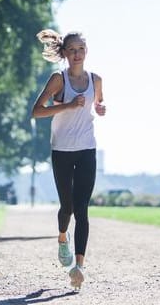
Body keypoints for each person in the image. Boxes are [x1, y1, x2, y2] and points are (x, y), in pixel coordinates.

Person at [31, 29, 106, 290]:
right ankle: (62, 237)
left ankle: (79, 266)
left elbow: (98, 104)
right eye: (72, 50)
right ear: (64, 53)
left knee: (82, 209)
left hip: (87, 149)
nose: (77, 54)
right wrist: (67, 106)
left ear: (86, 52)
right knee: (68, 208)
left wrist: (100, 108)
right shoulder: (58, 80)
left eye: (81, 49)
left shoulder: (96, 80)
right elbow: (37, 111)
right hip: (61, 150)